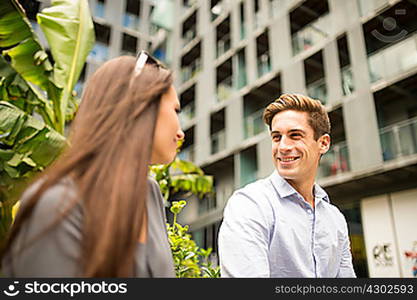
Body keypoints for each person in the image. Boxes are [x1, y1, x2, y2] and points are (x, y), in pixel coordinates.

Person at [1, 51, 185, 277]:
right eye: (175, 110)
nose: (181, 132)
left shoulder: (149, 193)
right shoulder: (56, 203)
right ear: (142, 106)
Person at [218, 93, 356, 277]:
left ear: (323, 143)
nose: (283, 147)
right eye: (276, 137)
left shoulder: (335, 219)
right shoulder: (249, 204)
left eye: (295, 135)